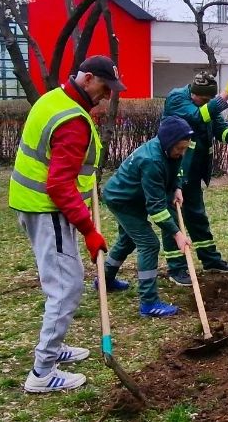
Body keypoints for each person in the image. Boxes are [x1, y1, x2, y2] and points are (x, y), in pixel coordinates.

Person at [9, 55, 125, 393]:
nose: (106, 96)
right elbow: (59, 185)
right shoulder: (73, 120)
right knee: (67, 288)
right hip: (48, 211)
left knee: (58, 282)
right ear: (88, 79)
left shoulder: (54, 98)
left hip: (34, 206)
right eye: (104, 88)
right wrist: (89, 229)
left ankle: (55, 348)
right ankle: (42, 372)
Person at [98, 116, 195, 317]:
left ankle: (104, 280)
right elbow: (156, 208)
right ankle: (149, 303)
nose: (182, 152)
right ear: (168, 144)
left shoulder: (170, 151)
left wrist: (177, 187)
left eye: (185, 148)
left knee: (127, 240)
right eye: (179, 148)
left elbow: (176, 168)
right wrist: (177, 234)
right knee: (148, 244)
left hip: (135, 197)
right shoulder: (152, 161)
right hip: (122, 200)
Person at [160, 72, 228, 286]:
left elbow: (220, 131)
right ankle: (177, 268)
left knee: (197, 215)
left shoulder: (206, 105)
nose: (206, 103)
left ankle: (210, 259)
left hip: (195, 169)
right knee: (174, 218)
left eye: (209, 100)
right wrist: (227, 93)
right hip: (175, 168)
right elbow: (198, 117)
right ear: (193, 93)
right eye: (203, 99)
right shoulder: (177, 98)